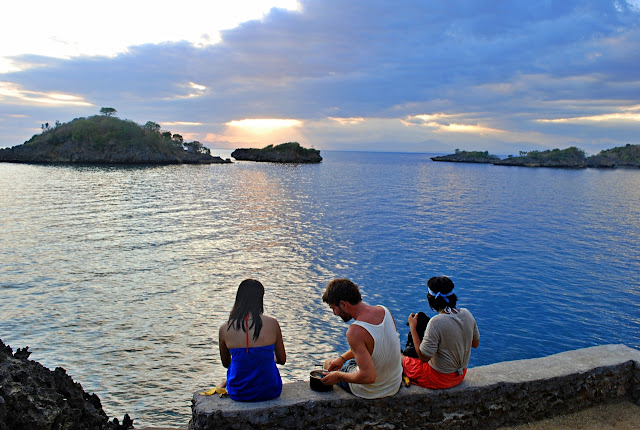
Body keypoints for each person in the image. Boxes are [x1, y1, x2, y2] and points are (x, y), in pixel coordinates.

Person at [321, 278, 403, 399]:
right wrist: (342, 358)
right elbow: (372, 346)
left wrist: (338, 376)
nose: (334, 313)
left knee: (328, 364)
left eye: (333, 308)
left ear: (343, 304)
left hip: (373, 390)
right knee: (341, 363)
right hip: (394, 384)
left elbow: (368, 377)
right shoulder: (384, 311)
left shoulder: (355, 331)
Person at [403, 276, 479, 389]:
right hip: (460, 375)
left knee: (400, 357)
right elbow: (475, 344)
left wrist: (413, 328)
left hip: (439, 379)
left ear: (431, 299)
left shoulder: (436, 322)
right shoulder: (466, 313)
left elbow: (424, 358)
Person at [218, 279, 286, 401]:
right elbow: (282, 360)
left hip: (239, 392)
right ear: (260, 299)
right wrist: (265, 356)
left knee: (227, 379)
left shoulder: (225, 329)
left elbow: (226, 364)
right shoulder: (273, 324)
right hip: (270, 390)